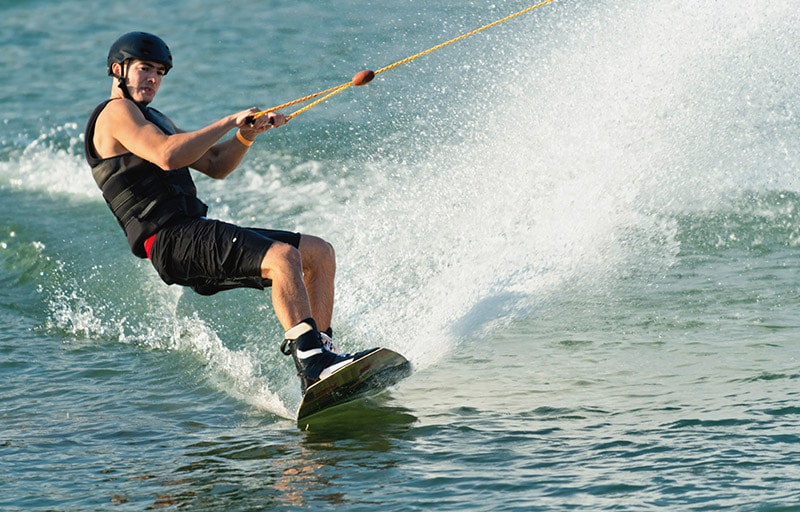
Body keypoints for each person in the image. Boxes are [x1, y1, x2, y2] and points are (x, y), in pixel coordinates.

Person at [84, 31, 375, 394]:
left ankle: (324, 357)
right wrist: (228, 121)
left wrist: (246, 135)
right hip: (170, 239)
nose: (154, 79)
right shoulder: (116, 112)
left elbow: (216, 163)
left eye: (160, 72)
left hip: (191, 231)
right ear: (118, 70)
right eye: (145, 69)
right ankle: (314, 364)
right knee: (283, 258)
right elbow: (167, 155)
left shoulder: (155, 118)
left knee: (318, 253)